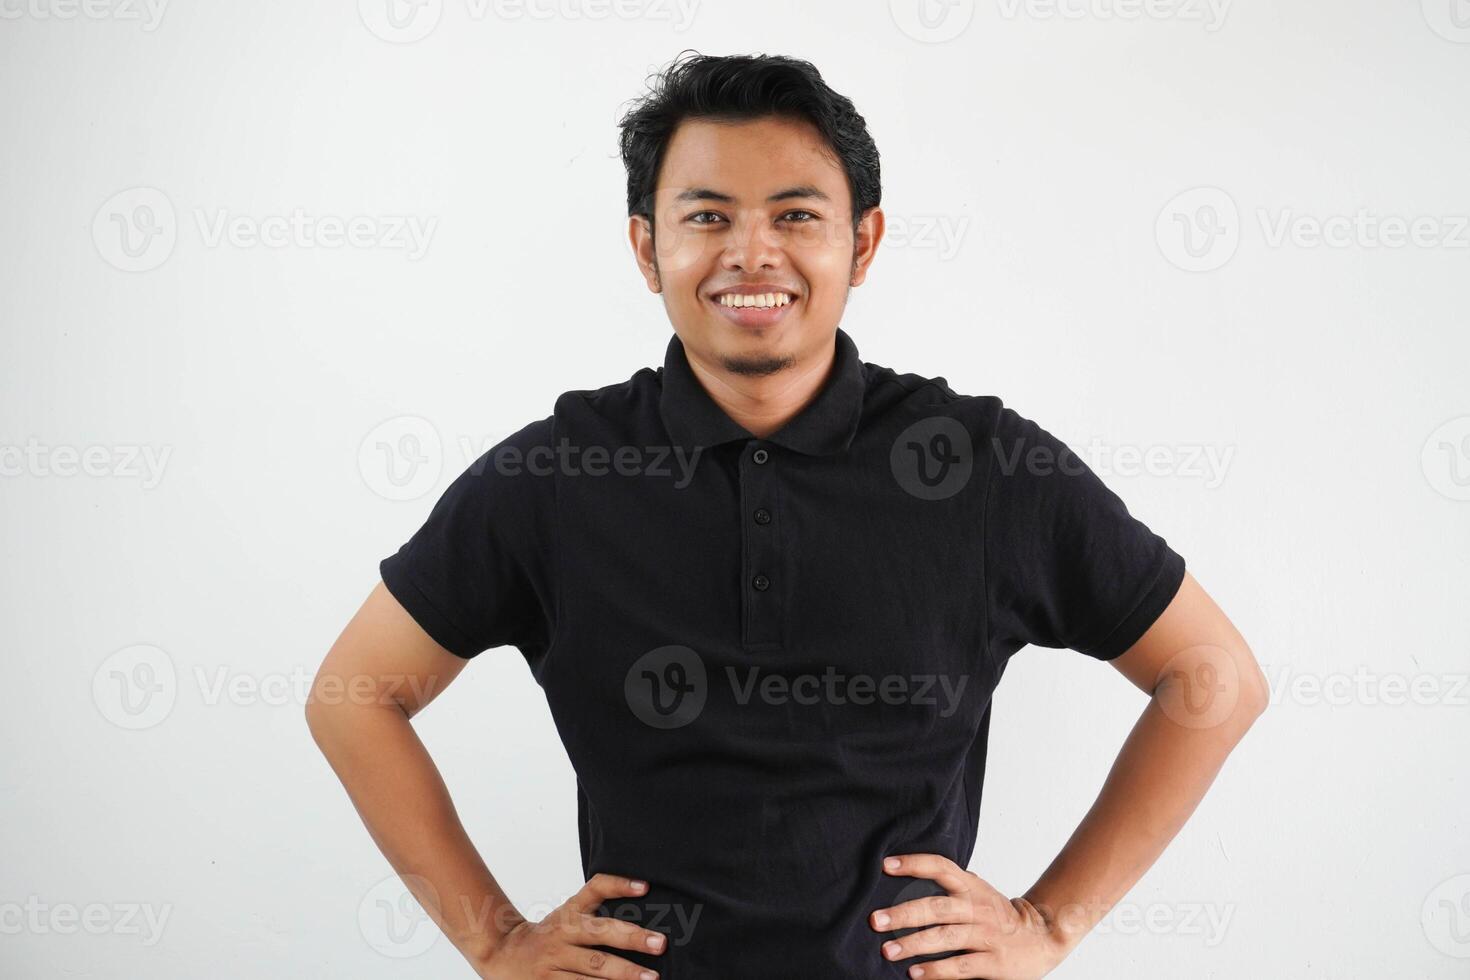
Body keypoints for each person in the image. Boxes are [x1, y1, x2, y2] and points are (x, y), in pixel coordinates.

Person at [306, 51, 1268, 980]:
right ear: (649, 247)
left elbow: (1213, 677)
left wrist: (1050, 924)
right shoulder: (557, 476)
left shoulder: (979, 468)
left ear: (864, 242)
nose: (750, 253)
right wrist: (496, 942)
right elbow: (353, 697)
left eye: (796, 214)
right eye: (707, 215)